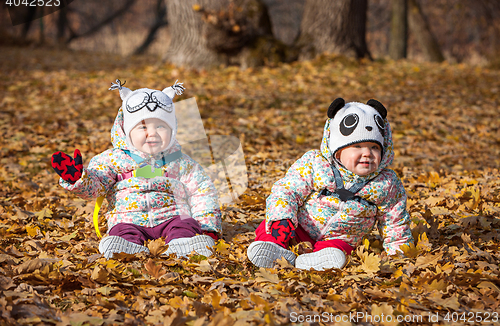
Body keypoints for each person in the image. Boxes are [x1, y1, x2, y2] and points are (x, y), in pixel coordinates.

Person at [51, 80, 221, 259]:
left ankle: (184, 243)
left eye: (161, 126)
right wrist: (79, 179)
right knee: (122, 230)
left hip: (172, 216)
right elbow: (97, 184)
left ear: (173, 130)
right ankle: (126, 247)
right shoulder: (112, 159)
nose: (152, 133)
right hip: (128, 218)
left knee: (184, 224)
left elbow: (202, 192)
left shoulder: (180, 161)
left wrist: (207, 227)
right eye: (143, 127)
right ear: (126, 130)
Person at [247, 98, 413, 270]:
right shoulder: (316, 164)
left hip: (339, 239)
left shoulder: (386, 183)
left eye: (374, 147)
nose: (367, 153)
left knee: (340, 249)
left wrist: (399, 253)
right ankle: (272, 248)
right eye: (357, 146)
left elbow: (394, 220)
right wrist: (282, 216)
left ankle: (319, 260)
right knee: (270, 227)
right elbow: (288, 189)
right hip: (300, 228)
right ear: (338, 151)